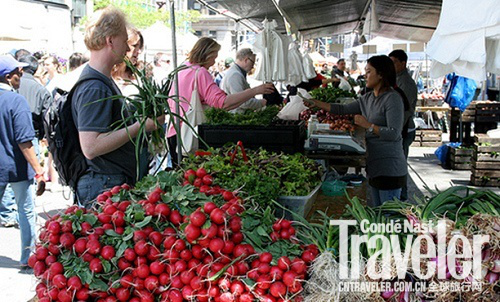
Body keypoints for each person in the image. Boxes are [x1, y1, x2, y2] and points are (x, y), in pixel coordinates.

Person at [72, 6, 164, 208]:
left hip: (109, 182)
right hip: (103, 185)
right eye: (124, 41)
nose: (128, 49)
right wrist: (142, 126)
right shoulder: (94, 87)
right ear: (110, 41)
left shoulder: (102, 80)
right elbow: (91, 147)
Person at [305, 55, 407, 206]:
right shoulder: (368, 98)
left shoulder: (392, 98)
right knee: (377, 213)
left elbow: (394, 133)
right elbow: (342, 109)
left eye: (368, 71)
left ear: (381, 74)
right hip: (374, 165)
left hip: (390, 167)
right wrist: (317, 103)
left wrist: (368, 125)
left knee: (388, 217)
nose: (365, 75)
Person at [167, 37, 275, 166]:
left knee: (180, 179)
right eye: (214, 57)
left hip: (173, 132)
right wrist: (255, 91)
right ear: (207, 55)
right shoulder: (200, 72)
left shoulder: (182, 69)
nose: (214, 62)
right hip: (189, 135)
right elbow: (223, 103)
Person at [0, 55, 46, 268]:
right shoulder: (16, 101)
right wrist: (39, 170)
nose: (22, 76)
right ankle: (27, 258)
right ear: (8, 77)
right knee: (25, 210)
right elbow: (24, 140)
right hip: (16, 166)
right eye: (19, 73)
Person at [389, 49, 418, 201]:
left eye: (394, 62)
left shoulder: (405, 82)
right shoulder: (395, 79)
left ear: (403, 63)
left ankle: (402, 197)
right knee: (396, 163)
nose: (391, 65)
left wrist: (393, 131)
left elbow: (403, 110)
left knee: (399, 164)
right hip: (398, 129)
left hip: (404, 129)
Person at [220, 49, 268, 113]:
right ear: (246, 60)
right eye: (252, 62)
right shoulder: (235, 75)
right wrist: (261, 102)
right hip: (236, 116)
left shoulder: (235, 72)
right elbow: (242, 102)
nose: (253, 66)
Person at [112, 27, 144, 96]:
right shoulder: (107, 74)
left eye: (140, 47)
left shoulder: (137, 75)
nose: (139, 51)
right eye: (135, 46)